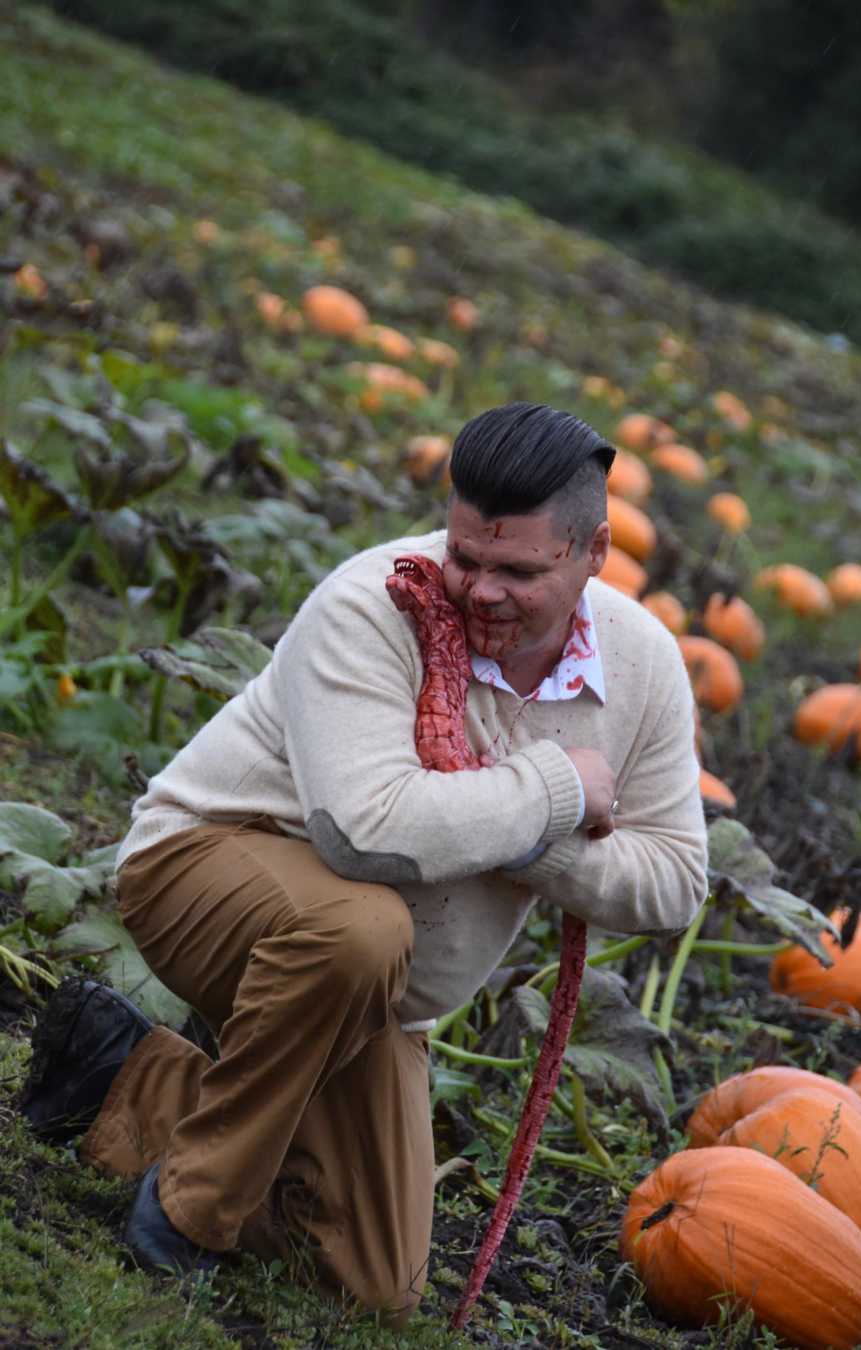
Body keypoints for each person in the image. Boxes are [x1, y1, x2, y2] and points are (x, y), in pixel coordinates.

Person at [20, 401, 707, 1327]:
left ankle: (121, 1077)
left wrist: (511, 830)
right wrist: (549, 795)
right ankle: (189, 1214)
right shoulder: (373, 602)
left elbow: (673, 879)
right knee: (362, 922)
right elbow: (363, 833)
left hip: (386, 995)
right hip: (206, 872)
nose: (480, 590)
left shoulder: (645, 666)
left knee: (375, 1280)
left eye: (518, 570)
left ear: (593, 552)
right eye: (467, 556)